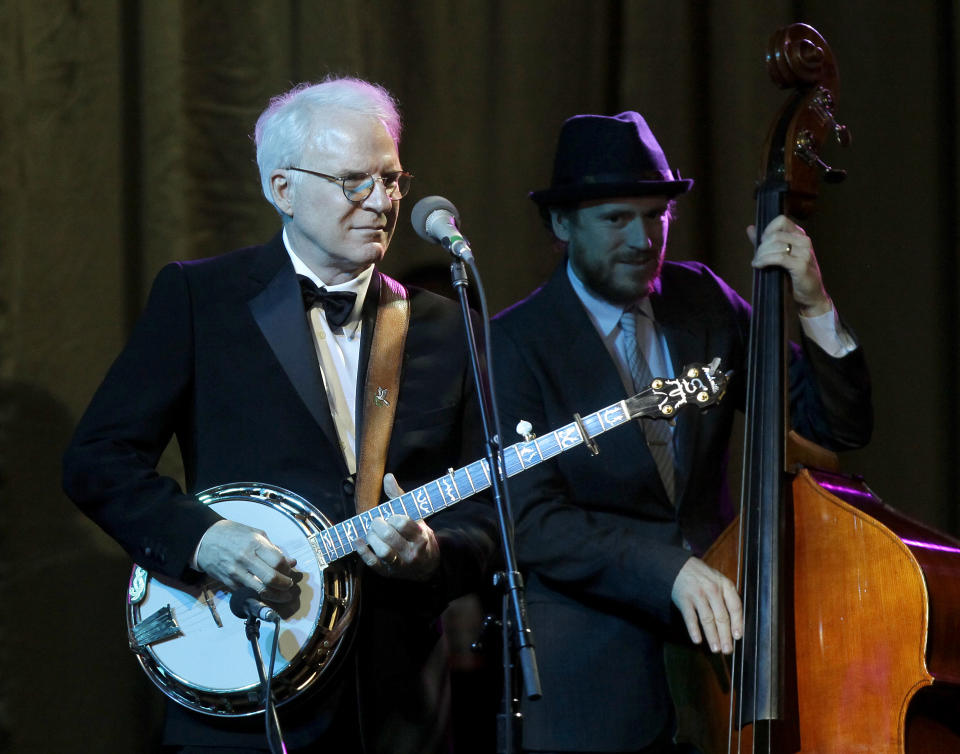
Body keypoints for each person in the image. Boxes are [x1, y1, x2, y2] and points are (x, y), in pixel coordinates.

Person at [62, 77, 499, 753]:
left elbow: (495, 510)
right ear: (282, 189)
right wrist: (202, 539)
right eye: (354, 181)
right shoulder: (201, 299)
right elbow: (97, 461)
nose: (381, 202)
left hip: (399, 702)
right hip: (245, 676)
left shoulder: (447, 326)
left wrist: (432, 554)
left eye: (391, 180)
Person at [490, 111, 872, 753]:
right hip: (591, 687)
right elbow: (530, 521)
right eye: (616, 219)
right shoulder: (514, 343)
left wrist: (813, 305)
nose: (643, 239)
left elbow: (836, 426)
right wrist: (668, 569)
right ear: (561, 224)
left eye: (656, 214)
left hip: (719, 675)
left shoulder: (704, 300)